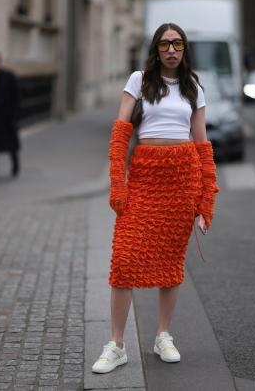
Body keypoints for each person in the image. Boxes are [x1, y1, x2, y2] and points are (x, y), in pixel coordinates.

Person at [92, 23, 219, 374]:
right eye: (165, 44)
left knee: (170, 265)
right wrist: (118, 183)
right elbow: (120, 134)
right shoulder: (139, 80)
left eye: (177, 43)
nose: (171, 49)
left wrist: (206, 198)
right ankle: (116, 344)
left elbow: (202, 145)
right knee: (124, 259)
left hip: (182, 180)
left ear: (184, 49)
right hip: (146, 178)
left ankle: (163, 334)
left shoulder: (194, 87)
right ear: (156, 48)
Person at [0, 51, 21, 184]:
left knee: (10, 145)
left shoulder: (9, 76)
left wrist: (15, 116)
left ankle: (15, 162)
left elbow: (17, 97)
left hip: (7, 117)